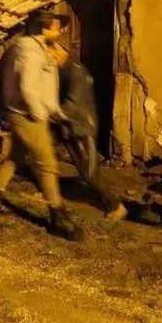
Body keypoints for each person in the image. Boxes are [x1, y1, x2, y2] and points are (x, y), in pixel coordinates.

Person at [0, 9, 84, 241]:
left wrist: (56, 111)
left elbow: (43, 85)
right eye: (56, 27)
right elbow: (28, 88)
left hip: (27, 113)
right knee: (48, 164)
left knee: (15, 158)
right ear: (43, 28)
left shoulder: (34, 48)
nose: (60, 31)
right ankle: (58, 216)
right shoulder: (29, 53)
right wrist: (40, 113)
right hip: (27, 115)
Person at [48, 41, 127, 221]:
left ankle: (117, 206)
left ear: (66, 49)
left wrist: (49, 111)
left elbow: (72, 102)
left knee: (90, 171)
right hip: (69, 127)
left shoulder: (76, 70)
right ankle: (54, 193)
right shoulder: (59, 70)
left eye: (56, 49)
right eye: (50, 49)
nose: (53, 53)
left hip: (83, 128)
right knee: (82, 170)